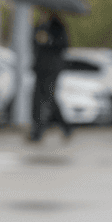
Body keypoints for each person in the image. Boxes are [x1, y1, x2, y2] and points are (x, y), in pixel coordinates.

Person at [29, 10, 72, 141]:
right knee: (37, 98)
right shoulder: (40, 26)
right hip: (40, 67)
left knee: (48, 97)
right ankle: (38, 130)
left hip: (52, 68)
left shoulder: (58, 27)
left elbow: (64, 45)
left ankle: (45, 128)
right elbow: (34, 43)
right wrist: (38, 30)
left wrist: (49, 40)